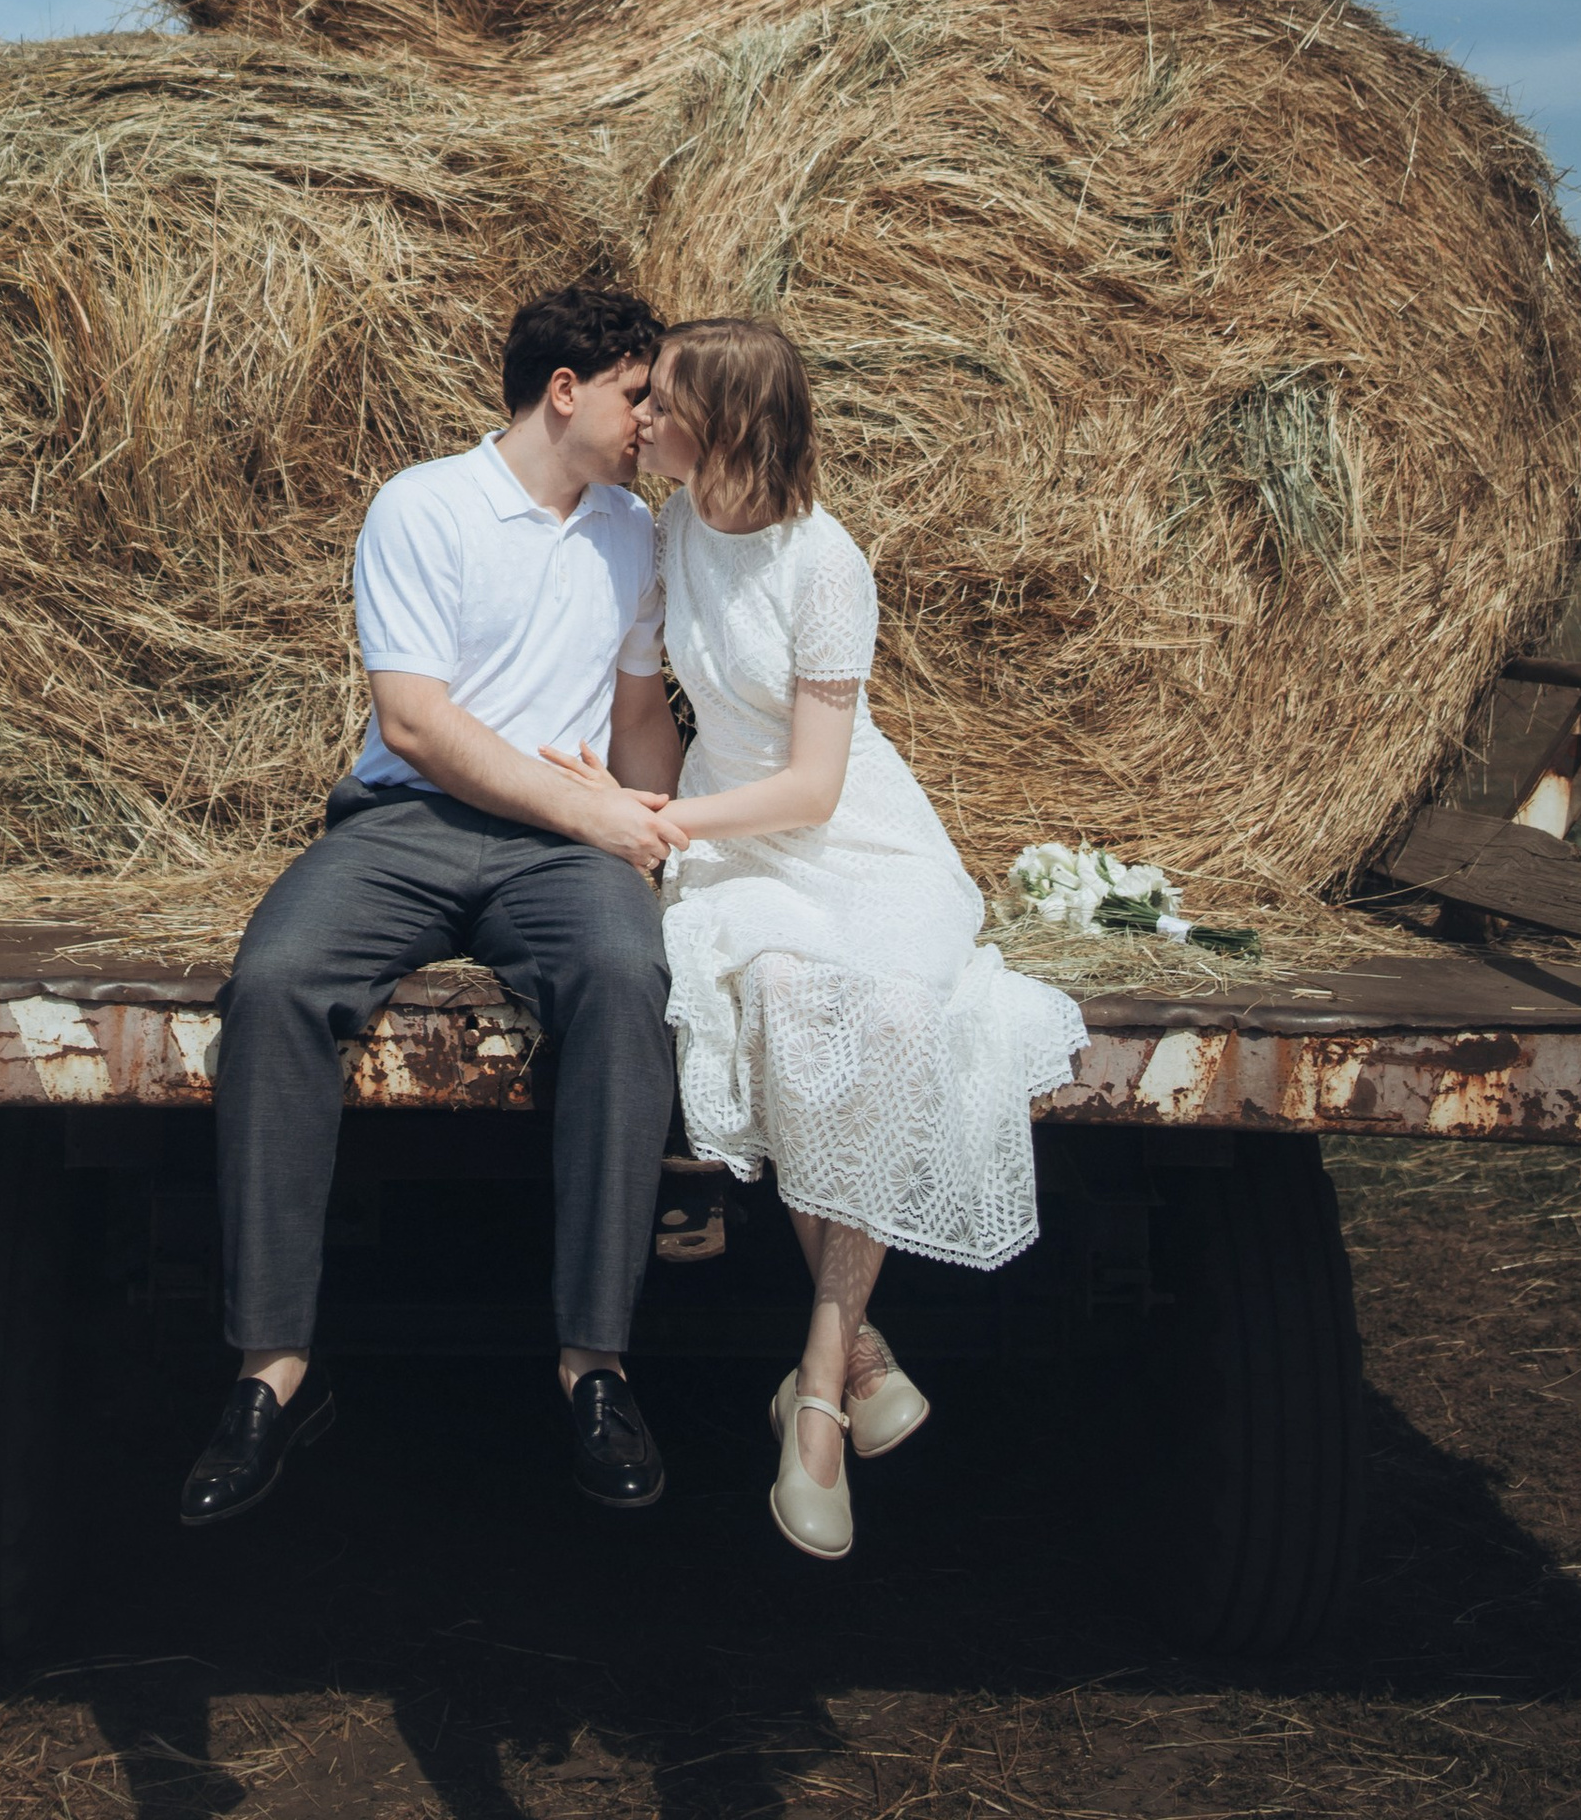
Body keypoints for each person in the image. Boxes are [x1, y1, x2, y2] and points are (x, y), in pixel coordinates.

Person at [547, 312, 1086, 1563]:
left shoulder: (826, 562)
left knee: (896, 1014)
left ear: (720, 423)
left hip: (834, 834)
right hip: (731, 843)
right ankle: (858, 1357)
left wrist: (666, 818)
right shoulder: (675, 523)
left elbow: (817, 789)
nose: (643, 416)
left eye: (663, 399)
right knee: (786, 993)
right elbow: (650, 697)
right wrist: (617, 788)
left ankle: (816, 1387)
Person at [179, 280, 684, 1532]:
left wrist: (655, 823)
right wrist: (596, 815)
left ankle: (595, 1365)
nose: (652, 418)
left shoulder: (633, 531)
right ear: (564, 390)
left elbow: (632, 717)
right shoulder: (424, 505)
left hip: (558, 850)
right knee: (279, 979)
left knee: (627, 979)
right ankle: (273, 1372)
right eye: (637, 392)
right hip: (409, 821)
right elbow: (417, 720)